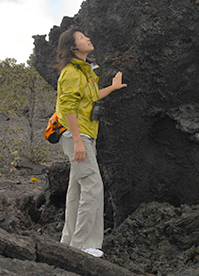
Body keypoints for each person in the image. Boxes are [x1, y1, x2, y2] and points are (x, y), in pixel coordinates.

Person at [55, 27, 127, 258]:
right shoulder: (71, 73)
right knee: (93, 187)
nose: (88, 39)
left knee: (76, 190)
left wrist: (113, 88)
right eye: (82, 38)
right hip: (78, 136)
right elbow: (67, 109)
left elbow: (92, 96)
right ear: (73, 47)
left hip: (85, 135)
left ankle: (69, 243)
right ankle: (84, 245)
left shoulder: (85, 72)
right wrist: (77, 141)